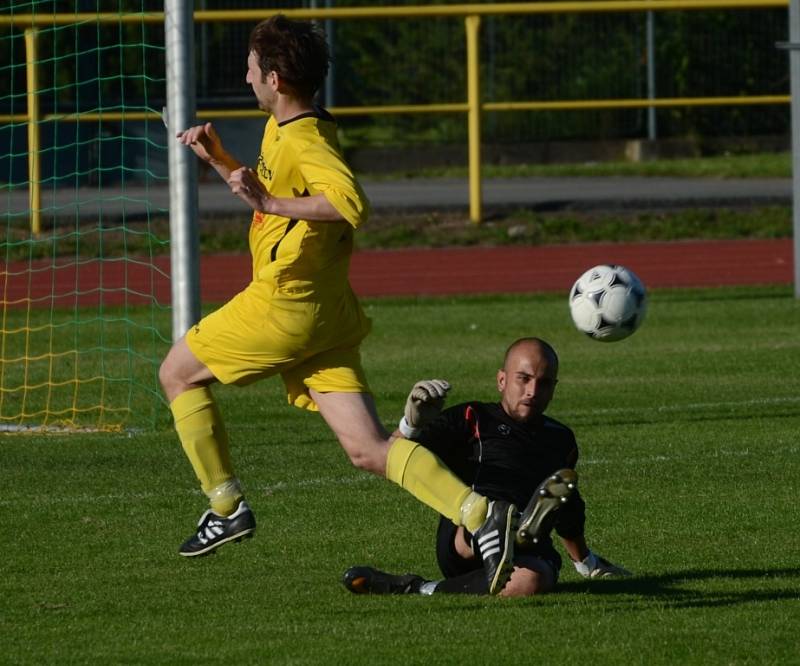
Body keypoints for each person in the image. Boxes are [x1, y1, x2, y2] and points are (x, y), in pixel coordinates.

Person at [159, 14, 517, 595]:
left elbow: (351, 204)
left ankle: (225, 506)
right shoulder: (295, 123)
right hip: (325, 315)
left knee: (176, 374)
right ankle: (479, 513)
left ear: (273, 78)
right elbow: (281, 195)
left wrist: (271, 202)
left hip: (284, 309)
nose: (245, 75)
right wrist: (223, 161)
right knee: (369, 449)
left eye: (250, 67)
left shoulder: (302, 138)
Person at [342, 337, 631, 597]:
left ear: (553, 389)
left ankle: (418, 587)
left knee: (529, 581)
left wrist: (586, 563)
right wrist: (412, 424)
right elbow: (391, 457)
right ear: (502, 380)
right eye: (524, 378)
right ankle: (505, 527)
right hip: (467, 538)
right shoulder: (472, 417)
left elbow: (568, 508)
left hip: (526, 553)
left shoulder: (561, 438)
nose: (532, 390)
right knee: (486, 514)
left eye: (543, 383)